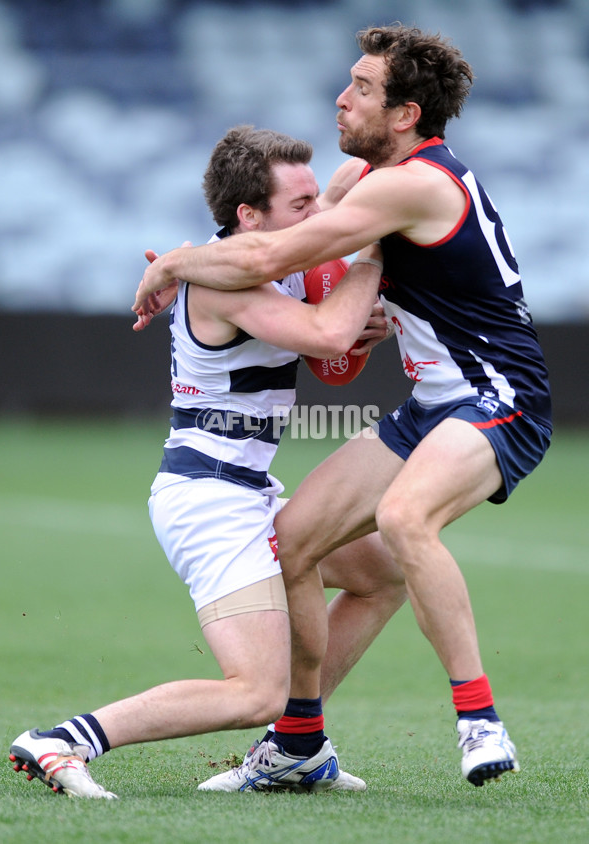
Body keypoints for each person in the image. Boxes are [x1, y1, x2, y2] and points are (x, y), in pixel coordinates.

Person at [132, 24, 552, 789]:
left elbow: (267, 256)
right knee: (291, 543)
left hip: (501, 396)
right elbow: (329, 266)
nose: (341, 96)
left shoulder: (412, 182)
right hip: (434, 403)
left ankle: (479, 719)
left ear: (403, 114)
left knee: (402, 520)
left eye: (362, 87)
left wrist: (177, 264)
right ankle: (295, 745)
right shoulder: (379, 181)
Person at [8, 125, 406, 798]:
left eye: (313, 199)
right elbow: (330, 333)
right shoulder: (224, 280)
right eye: (299, 206)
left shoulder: (248, 256)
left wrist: (361, 201)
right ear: (249, 216)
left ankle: (297, 745)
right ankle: (61, 741)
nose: (317, 218)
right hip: (211, 501)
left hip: (246, 487)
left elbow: (342, 195)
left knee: (381, 577)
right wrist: (372, 256)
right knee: (252, 691)